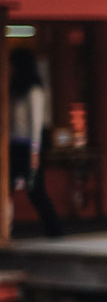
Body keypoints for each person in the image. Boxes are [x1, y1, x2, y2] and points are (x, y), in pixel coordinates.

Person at [8, 48, 61, 238]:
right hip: (13, 145)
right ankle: (6, 228)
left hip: (28, 146)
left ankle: (54, 230)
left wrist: (34, 152)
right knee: (7, 189)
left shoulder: (34, 90)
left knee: (36, 191)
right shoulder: (14, 89)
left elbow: (36, 124)